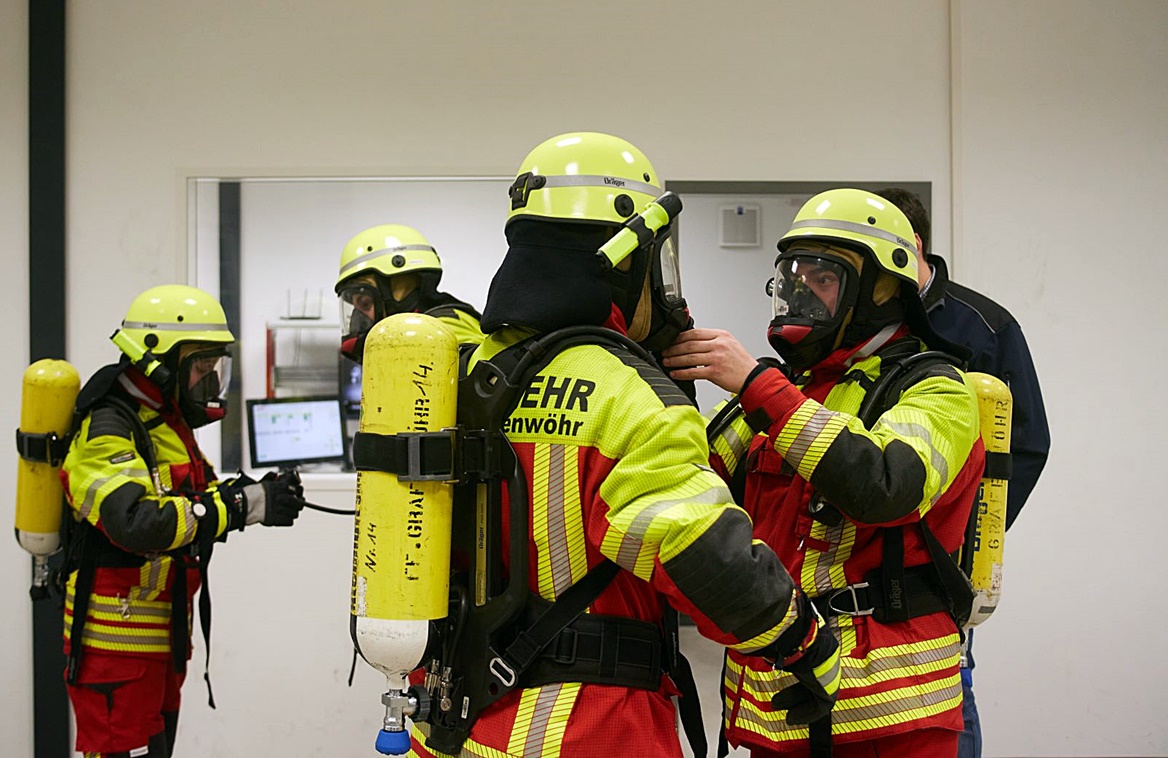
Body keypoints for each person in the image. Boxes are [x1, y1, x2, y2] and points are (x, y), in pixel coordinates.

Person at [407, 132, 841, 758]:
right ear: (621, 264)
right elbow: (701, 556)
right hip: (587, 726)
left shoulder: (467, 369)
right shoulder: (627, 392)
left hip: (453, 721)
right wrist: (802, 639)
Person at [663, 188, 985, 757]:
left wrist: (759, 386)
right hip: (778, 703)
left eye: (823, 278)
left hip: (890, 715)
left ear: (880, 290)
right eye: (793, 276)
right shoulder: (785, 392)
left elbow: (885, 485)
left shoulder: (936, 388)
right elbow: (691, 481)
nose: (799, 293)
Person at [60, 285, 307, 758]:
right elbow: (137, 523)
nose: (210, 382)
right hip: (113, 655)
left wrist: (258, 493)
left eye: (215, 368)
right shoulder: (108, 426)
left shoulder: (164, 423)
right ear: (162, 361)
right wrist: (244, 505)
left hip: (159, 643)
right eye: (201, 368)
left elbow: (197, 501)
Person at [876, 187, 1050, 758]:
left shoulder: (986, 326)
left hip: (943, 556)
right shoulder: (857, 317)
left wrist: (968, 535)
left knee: (948, 686)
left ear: (912, 245)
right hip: (865, 541)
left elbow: (1025, 445)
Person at [335, 223, 483, 363]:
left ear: (400, 287)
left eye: (365, 303)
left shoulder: (438, 333)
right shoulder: (406, 340)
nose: (358, 318)